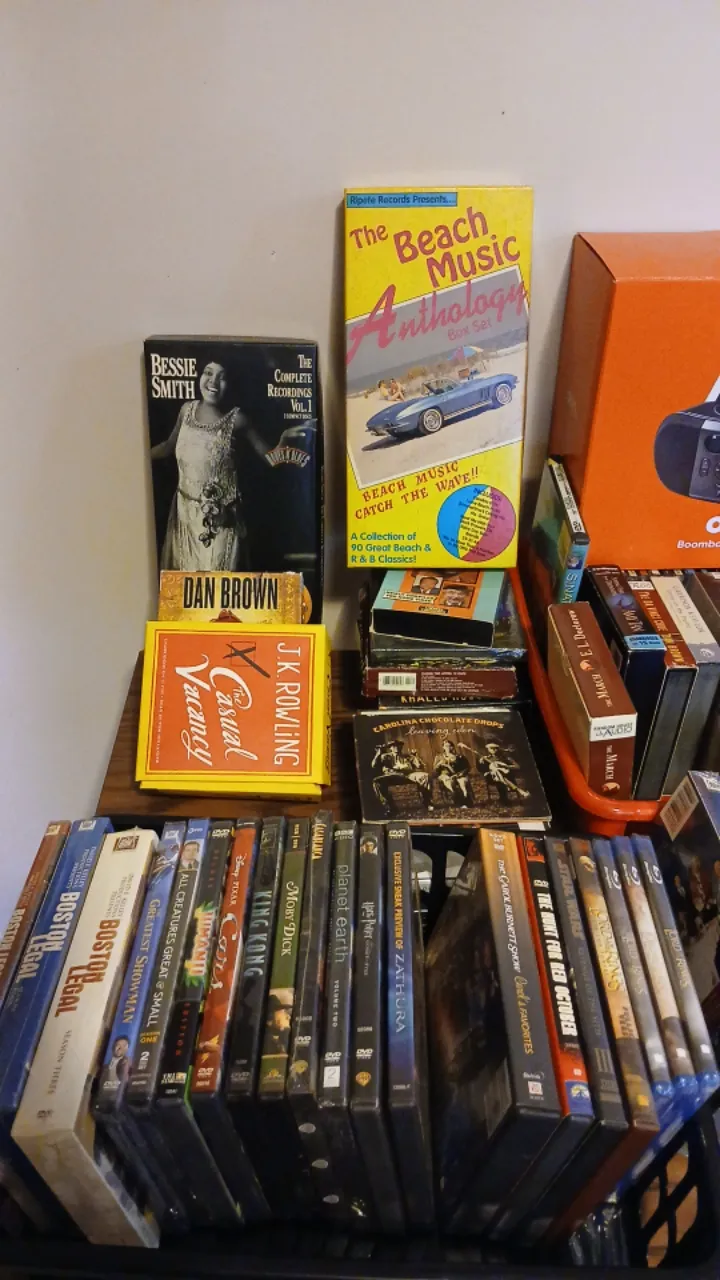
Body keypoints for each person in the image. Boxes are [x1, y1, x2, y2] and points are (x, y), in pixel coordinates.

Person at [151, 360, 267, 571]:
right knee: (185, 585)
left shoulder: (237, 420)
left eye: (222, 377)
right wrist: (132, 456)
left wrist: (293, 443)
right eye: (208, 373)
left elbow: (269, 456)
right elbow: (168, 446)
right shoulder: (186, 410)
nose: (213, 381)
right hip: (184, 517)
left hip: (221, 521)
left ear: (231, 383)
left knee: (217, 585)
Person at [432, 739, 471, 806]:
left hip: (457, 774)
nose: (448, 747)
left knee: (462, 782)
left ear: (452, 747)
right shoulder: (439, 757)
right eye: (446, 746)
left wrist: (460, 774)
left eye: (449, 746)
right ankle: (459, 801)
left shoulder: (458, 756)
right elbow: (434, 771)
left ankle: (466, 799)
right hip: (444, 775)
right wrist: (439, 764)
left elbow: (467, 767)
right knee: (451, 783)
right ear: (443, 747)